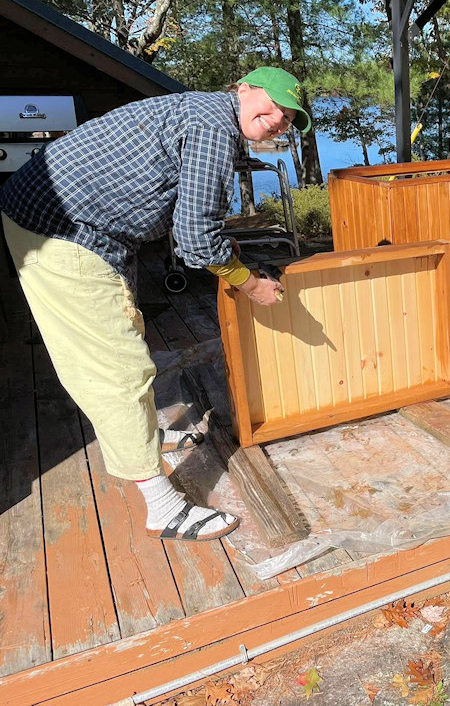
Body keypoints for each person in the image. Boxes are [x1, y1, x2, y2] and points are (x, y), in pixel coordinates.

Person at [0, 67, 311, 542]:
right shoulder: (214, 126)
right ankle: (163, 508)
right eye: (273, 106)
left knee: (127, 330)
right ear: (244, 88)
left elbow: (192, 219)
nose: (277, 121)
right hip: (62, 232)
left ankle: (148, 437)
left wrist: (226, 251)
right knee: (116, 368)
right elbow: (196, 241)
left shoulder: (205, 113)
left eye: (287, 118)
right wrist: (251, 285)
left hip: (72, 223)